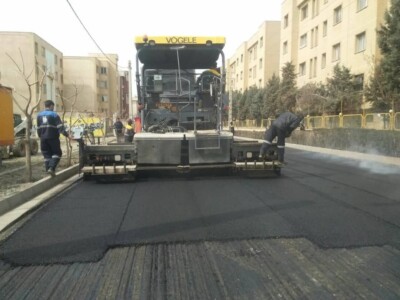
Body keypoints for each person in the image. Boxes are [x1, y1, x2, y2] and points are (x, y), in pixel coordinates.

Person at [36, 100, 71, 177]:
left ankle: (48, 171)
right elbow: (60, 127)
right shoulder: (54, 115)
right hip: (53, 137)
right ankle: (51, 168)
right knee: (57, 153)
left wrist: (40, 136)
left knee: (46, 155)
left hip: (43, 138)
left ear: (45, 106)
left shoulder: (39, 115)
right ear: (51, 106)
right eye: (53, 106)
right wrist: (67, 135)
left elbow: (38, 128)